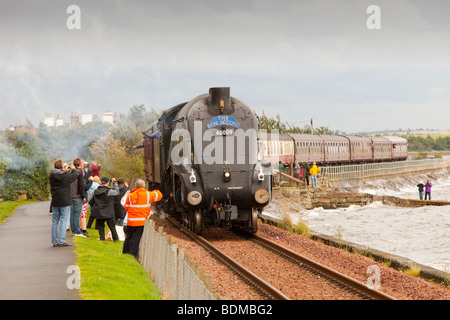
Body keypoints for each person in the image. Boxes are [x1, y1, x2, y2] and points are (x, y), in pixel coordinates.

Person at [122, 179, 163, 259]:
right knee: (136, 238)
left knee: (128, 237)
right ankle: (133, 255)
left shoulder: (131, 195)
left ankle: (125, 252)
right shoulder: (148, 194)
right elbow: (159, 195)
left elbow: (126, 206)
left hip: (131, 220)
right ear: (144, 186)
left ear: (135, 186)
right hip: (141, 221)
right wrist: (155, 190)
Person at [49, 160, 80, 247]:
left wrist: (65, 171)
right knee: (63, 220)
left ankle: (54, 241)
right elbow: (75, 175)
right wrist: (73, 168)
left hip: (55, 200)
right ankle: (62, 240)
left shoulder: (51, 175)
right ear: (62, 167)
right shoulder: (65, 176)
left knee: (55, 221)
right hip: (65, 200)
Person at [69, 158, 86, 237]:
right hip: (77, 195)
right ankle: (77, 231)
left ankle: (73, 231)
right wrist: (83, 196)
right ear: (80, 165)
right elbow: (81, 186)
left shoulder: (70, 172)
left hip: (70, 195)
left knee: (72, 214)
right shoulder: (79, 173)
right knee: (77, 214)